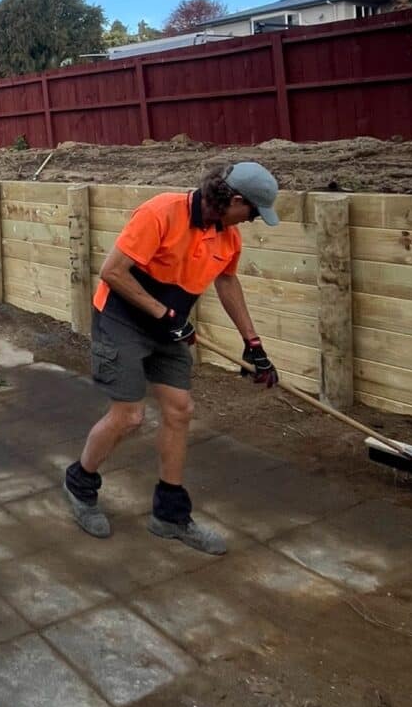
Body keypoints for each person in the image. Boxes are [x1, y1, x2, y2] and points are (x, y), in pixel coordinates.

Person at [63, 162, 281, 555]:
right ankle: (80, 482)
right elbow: (112, 272)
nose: (250, 222)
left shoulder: (227, 238)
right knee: (129, 415)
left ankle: (170, 515)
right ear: (234, 200)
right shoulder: (161, 212)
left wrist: (254, 344)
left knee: (180, 410)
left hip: (169, 325)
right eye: (251, 213)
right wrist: (165, 315)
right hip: (123, 319)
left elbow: (227, 281)